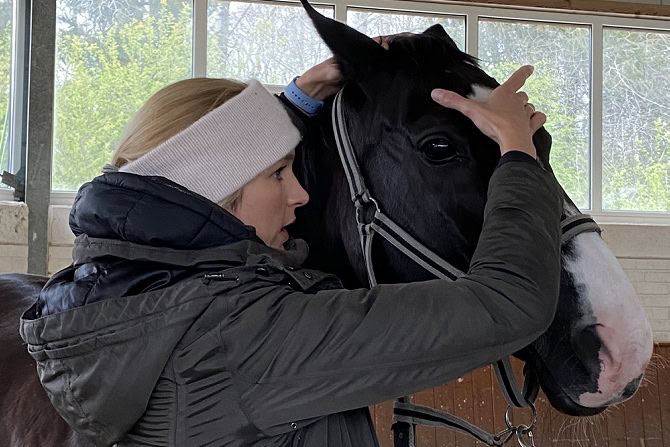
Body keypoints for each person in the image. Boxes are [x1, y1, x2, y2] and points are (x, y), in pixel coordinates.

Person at [19, 38, 562, 446]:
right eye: (279, 173)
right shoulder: (246, 336)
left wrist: (293, 105)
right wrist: (516, 152)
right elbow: (508, 302)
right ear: (219, 188)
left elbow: (208, 166)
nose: (301, 194)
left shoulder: (123, 294)